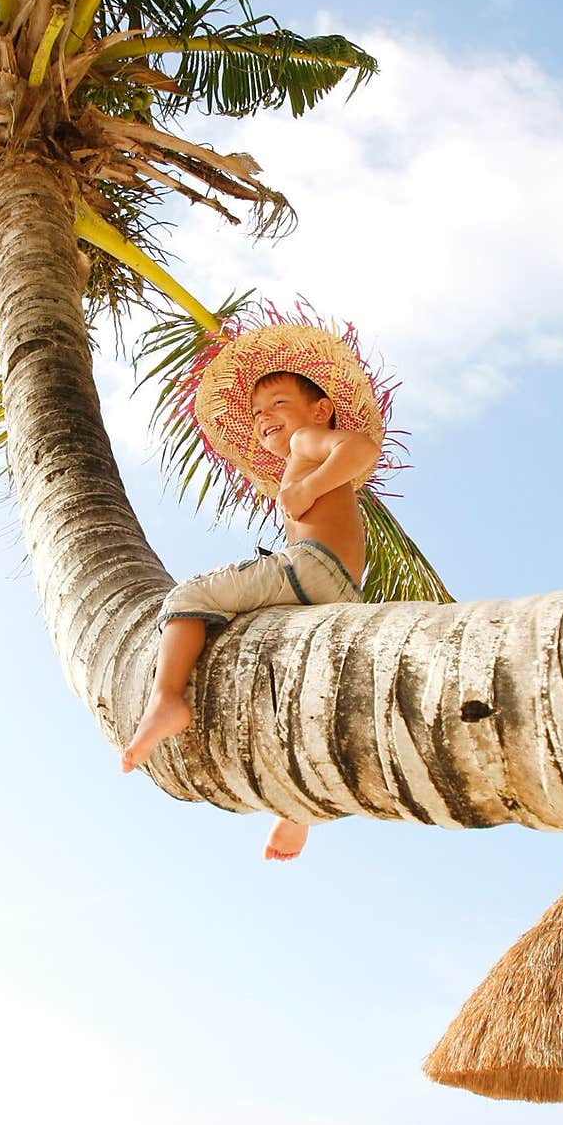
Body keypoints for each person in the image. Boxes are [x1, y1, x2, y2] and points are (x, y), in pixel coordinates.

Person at [121, 317, 388, 861]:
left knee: (190, 596)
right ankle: (298, 810)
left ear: (318, 410)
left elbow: (361, 449)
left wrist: (310, 484)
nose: (266, 418)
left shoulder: (314, 442)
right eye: (258, 413)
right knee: (296, 688)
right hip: (338, 589)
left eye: (279, 404)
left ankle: (167, 698)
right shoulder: (303, 455)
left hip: (312, 568)